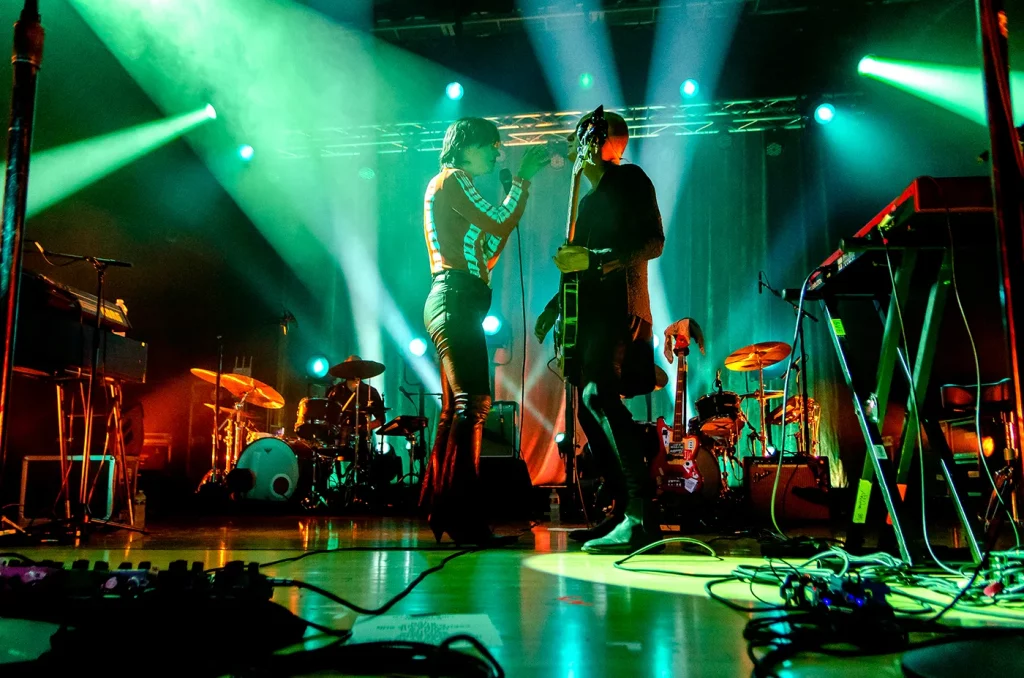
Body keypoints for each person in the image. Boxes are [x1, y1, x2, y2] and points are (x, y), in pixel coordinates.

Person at [535, 110, 665, 554]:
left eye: (578, 139)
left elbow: (653, 243)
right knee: (588, 406)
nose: (572, 148)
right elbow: (577, 265)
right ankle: (621, 507)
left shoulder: (630, 179)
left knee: (599, 398)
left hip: (622, 308)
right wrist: (555, 307)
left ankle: (642, 516)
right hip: (590, 315)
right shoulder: (589, 200)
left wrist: (595, 259)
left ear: (596, 141)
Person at [421, 117, 550, 546]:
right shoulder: (454, 179)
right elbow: (498, 221)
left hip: (456, 299)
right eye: (492, 146)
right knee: (473, 403)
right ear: (467, 147)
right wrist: (523, 182)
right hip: (455, 299)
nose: (498, 153)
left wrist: (512, 198)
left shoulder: (453, 186)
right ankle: (463, 520)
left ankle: (441, 510)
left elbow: (489, 245)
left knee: (456, 408)